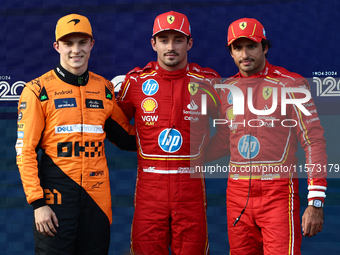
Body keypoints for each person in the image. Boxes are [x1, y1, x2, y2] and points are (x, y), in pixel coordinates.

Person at [15, 13, 135, 254]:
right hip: (56, 202)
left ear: (92, 44)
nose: (75, 50)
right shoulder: (37, 90)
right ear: (56, 46)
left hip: (98, 203)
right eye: (68, 43)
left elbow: (129, 139)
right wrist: (38, 203)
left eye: (82, 42)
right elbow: (25, 151)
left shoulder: (104, 89)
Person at [206, 18, 327, 255]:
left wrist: (316, 200)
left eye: (251, 46)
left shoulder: (292, 84)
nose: (244, 54)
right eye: (237, 47)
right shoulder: (225, 89)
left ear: (265, 47)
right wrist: (185, 157)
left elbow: (314, 141)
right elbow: (223, 141)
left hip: (278, 194)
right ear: (230, 52)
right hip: (237, 194)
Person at [117, 11, 221, 255]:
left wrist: (202, 155)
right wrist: (145, 144)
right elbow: (116, 125)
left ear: (189, 43)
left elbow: (231, 128)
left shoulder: (209, 81)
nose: (171, 47)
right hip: (150, 187)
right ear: (153, 43)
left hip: (191, 188)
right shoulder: (136, 82)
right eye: (164, 40)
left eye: (178, 40)